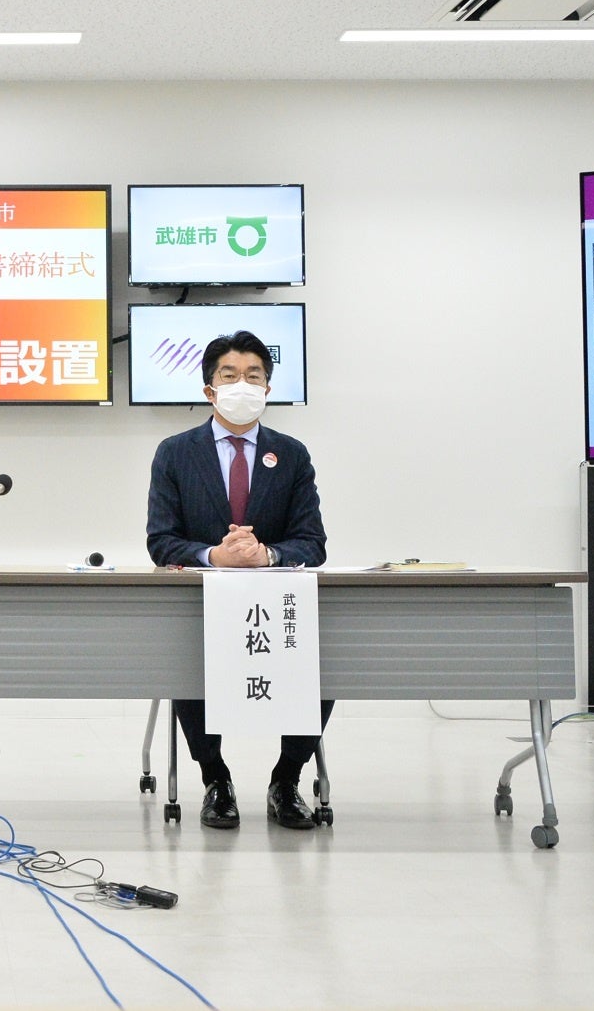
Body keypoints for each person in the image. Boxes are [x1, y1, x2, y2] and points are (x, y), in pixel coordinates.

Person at [146, 330, 329, 831]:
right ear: (209, 390)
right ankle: (215, 779)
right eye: (230, 376)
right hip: (203, 604)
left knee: (322, 664)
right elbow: (161, 541)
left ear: (268, 389)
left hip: (279, 603)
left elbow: (312, 542)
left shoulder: (291, 454)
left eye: (254, 376)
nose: (243, 385)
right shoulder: (175, 453)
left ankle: (287, 779)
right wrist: (215, 556)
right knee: (187, 662)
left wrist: (266, 555)